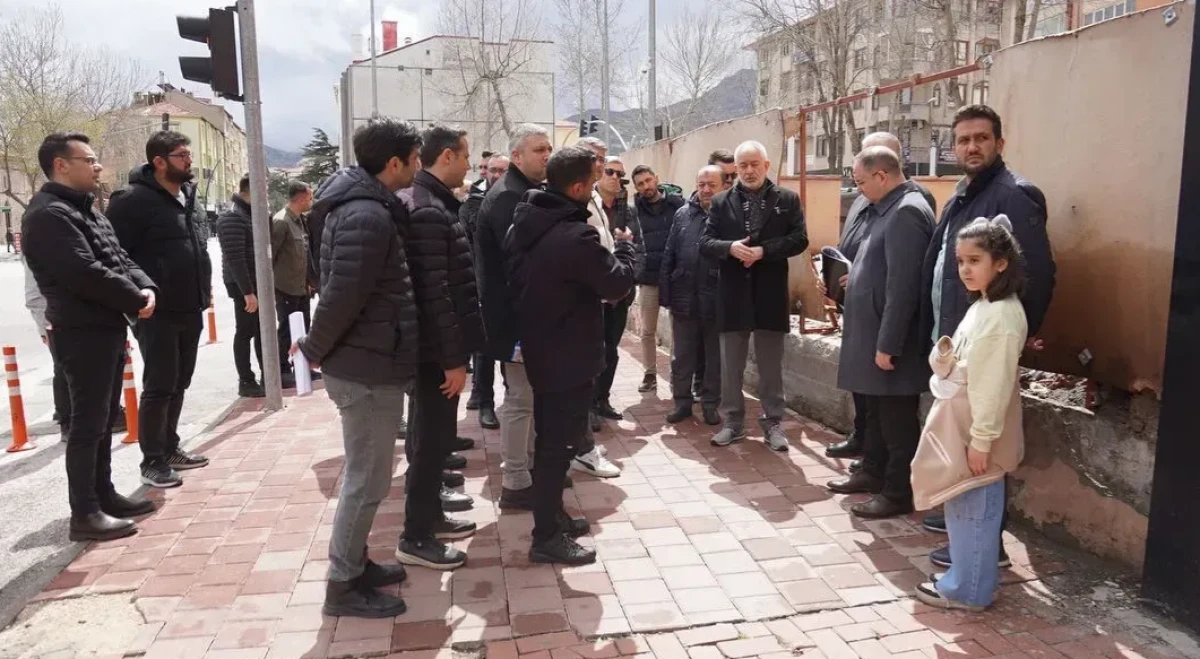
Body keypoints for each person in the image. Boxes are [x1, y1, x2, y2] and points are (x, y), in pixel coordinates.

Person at [294, 118, 422, 619]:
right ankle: (343, 584)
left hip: (371, 359)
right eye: (414, 158)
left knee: (369, 477)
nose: (417, 166)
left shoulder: (365, 205)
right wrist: (313, 349)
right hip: (364, 367)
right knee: (366, 481)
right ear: (393, 163)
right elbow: (342, 296)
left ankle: (356, 563)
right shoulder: (367, 215)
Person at [919, 104, 1055, 570]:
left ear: (999, 143)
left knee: (984, 445)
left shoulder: (1014, 195)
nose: (972, 147)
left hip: (986, 347)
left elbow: (1039, 274)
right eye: (963, 140)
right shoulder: (963, 195)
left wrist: (1012, 337)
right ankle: (963, 520)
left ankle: (985, 546)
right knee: (961, 441)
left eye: (981, 138)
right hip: (961, 340)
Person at [22, 132, 158, 541]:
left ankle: (104, 494)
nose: (97, 166)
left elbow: (119, 257)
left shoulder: (87, 209)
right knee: (87, 425)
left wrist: (145, 285)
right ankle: (84, 513)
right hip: (80, 332)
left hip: (106, 327)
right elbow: (83, 272)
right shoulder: (48, 215)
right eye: (89, 160)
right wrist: (134, 298)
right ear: (61, 165)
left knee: (102, 421)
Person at [506, 146, 637, 564]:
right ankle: (546, 536)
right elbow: (615, 284)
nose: (599, 188)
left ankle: (553, 517)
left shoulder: (525, 222)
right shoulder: (574, 236)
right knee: (557, 447)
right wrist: (626, 250)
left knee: (551, 441)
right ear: (578, 188)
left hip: (542, 347)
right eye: (594, 181)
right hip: (569, 355)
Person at [911, 217, 1028, 611]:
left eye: (975, 260)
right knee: (963, 505)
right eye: (960, 261)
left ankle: (968, 590)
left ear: (1001, 263)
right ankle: (964, 579)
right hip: (965, 422)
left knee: (975, 508)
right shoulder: (985, 306)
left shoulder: (1000, 317)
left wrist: (982, 441)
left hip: (976, 429)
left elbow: (992, 387)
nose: (965, 269)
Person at [825, 147, 934, 519]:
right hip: (871, 333)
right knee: (876, 416)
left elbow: (903, 287)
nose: (858, 190)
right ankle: (873, 473)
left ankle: (898, 492)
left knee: (897, 423)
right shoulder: (885, 207)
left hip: (891, 342)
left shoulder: (906, 212)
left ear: (882, 176)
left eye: (860, 182)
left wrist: (888, 343)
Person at [394, 124, 484, 571]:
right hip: (434, 354)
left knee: (432, 438)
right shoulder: (428, 209)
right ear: (446, 156)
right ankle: (416, 536)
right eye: (465, 156)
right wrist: (452, 359)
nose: (468, 165)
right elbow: (436, 294)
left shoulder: (433, 202)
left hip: (435, 351)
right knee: (430, 443)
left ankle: (430, 517)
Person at [108, 131, 213, 489]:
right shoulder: (131, 200)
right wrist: (135, 297)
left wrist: (204, 289)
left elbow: (196, 248)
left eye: (188, 154)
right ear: (159, 161)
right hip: (156, 312)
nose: (189, 160)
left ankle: (169, 448)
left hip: (190, 306)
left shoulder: (187, 196)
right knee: (160, 384)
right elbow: (116, 255)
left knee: (180, 381)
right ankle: (151, 460)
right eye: (182, 155)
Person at [700, 140, 808, 451]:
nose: (749, 171)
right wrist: (730, 248)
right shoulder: (721, 202)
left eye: (754, 164)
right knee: (730, 366)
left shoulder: (787, 199)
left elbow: (799, 239)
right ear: (736, 168)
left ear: (766, 165)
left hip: (770, 295)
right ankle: (732, 423)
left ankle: (773, 423)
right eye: (743, 165)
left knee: (771, 367)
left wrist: (764, 251)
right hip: (733, 296)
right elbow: (705, 243)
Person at [476, 124, 552, 511]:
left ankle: (530, 469)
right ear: (517, 156)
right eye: (539, 149)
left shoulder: (524, 190)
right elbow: (521, 262)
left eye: (548, 148)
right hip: (516, 317)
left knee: (529, 397)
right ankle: (516, 480)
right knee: (520, 399)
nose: (547, 155)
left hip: (526, 315)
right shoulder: (509, 195)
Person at [25, 257, 126, 438]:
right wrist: (45, 326)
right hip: (58, 322)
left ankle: (97, 417)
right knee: (65, 372)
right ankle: (68, 422)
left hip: (87, 321)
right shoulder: (40, 242)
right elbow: (34, 295)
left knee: (93, 374)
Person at [660, 166, 723, 426]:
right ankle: (682, 403)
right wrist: (666, 293)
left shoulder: (728, 215)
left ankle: (710, 404)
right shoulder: (682, 214)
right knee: (682, 357)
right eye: (702, 184)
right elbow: (670, 253)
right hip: (683, 297)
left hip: (715, 299)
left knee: (714, 359)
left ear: (723, 186)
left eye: (712, 185)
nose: (706, 189)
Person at [461, 154, 510, 429]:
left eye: (503, 170)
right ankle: (484, 401)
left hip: (511, 286)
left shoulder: (516, 200)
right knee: (484, 350)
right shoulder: (473, 204)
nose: (496, 175)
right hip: (482, 285)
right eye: (493, 170)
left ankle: (510, 396)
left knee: (511, 348)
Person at [631, 165, 685, 393]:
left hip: (674, 277)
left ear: (656, 179)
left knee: (678, 331)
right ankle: (649, 374)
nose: (646, 186)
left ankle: (677, 376)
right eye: (640, 184)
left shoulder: (678, 205)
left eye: (648, 180)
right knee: (647, 330)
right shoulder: (633, 211)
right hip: (648, 278)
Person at [217, 175, 265, 398]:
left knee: (261, 331)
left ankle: (267, 374)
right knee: (246, 331)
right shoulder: (233, 216)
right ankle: (246, 380)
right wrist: (248, 292)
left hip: (256, 283)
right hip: (243, 286)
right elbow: (235, 259)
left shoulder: (249, 214)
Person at [271, 180, 315, 389]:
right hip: (285, 287)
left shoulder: (300, 221)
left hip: (301, 287)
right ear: (300, 199)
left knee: (304, 328)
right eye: (309, 198)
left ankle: (303, 367)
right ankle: (282, 370)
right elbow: (271, 256)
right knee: (286, 330)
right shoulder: (281, 222)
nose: (311, 201)